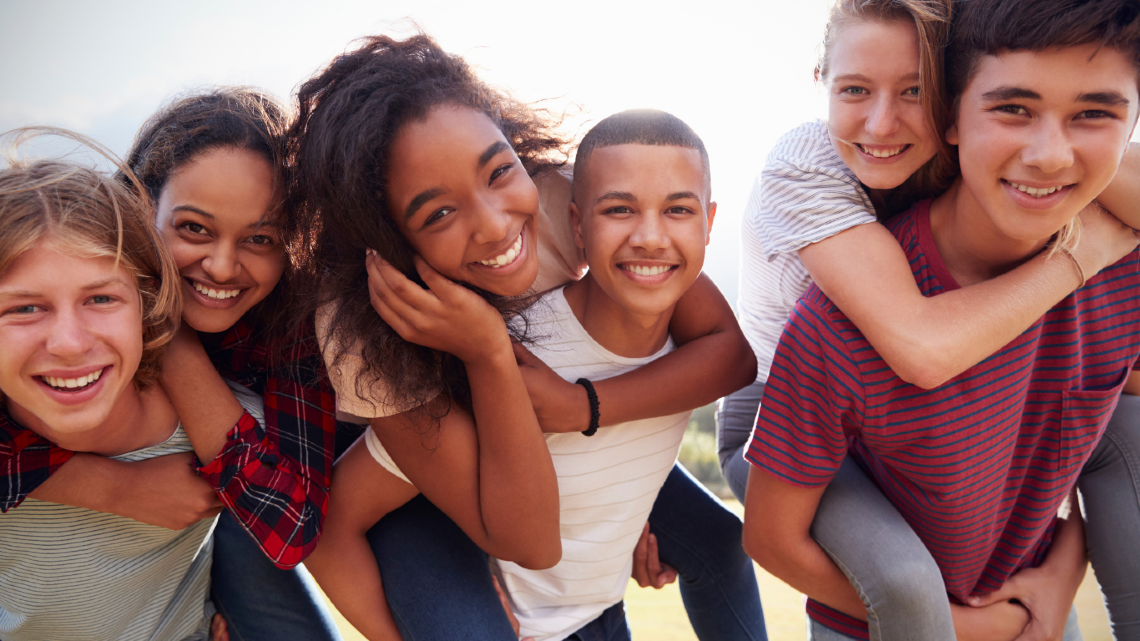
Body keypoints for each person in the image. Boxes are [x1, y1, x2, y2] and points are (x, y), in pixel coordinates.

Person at [290, 34, 763, 640]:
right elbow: (525, 541)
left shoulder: (572, 205)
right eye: (438, 213)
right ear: (389, 240)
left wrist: (595, 431)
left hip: (560, 418)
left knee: (718, 541)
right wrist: (488, 348)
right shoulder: (364, 329)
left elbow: (726, 352)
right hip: (434, 474)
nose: (494, 225)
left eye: (499, 171)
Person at [719, 0, 1140, 638]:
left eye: (914, 91)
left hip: (942, 407)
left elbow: (1077, 425)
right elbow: (919, 347)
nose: (883, 121)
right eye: (855, 89)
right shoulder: (806, 168)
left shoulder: (974, 163)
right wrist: (1083, 255)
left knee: (1129, 420)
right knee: (904, 582)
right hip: (779, 405)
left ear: (944, 105)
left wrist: (1061, 571)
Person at [0, 89, 347, 641]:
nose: (222, 264)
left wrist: (173, 344)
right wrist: (112, 487)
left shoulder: (289, 337)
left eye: (260, 238)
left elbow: (286, 527)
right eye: (193, 228)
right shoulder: (50, 347)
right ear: (141, 211)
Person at [0, 130, 231, 641]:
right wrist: (116, 488)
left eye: (101, 299)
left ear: (147, 305)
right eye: (24, 308)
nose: (68, 342)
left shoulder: (215, 430)